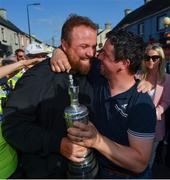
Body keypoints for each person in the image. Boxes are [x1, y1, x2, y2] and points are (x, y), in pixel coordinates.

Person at [51, 30, 156, 178]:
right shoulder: (99, 74)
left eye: (105, 54)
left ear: (124, 63)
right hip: (99, 170)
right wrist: (59, 51)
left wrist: (97, 140)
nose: (98, 57)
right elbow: (77, 55)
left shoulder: (141, 104)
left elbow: (139, 163)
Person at [2, 15, 97, 178]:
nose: (91, 53)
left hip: (88, 170)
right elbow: (12, 126)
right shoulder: (38, 77)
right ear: (65, 45)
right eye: (84, 46)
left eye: (94, 46)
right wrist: (58, 144)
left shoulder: (92, 70)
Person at [139, 43, 170, 168]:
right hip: (137, 126)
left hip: (155, 127)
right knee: (137, 161)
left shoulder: (167, 79)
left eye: (154, 58)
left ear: (161, 59)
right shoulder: (138, 76)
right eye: (147, 58)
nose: (150, 61)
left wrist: (154, 113)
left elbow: (166, 102)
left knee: (148, 163)